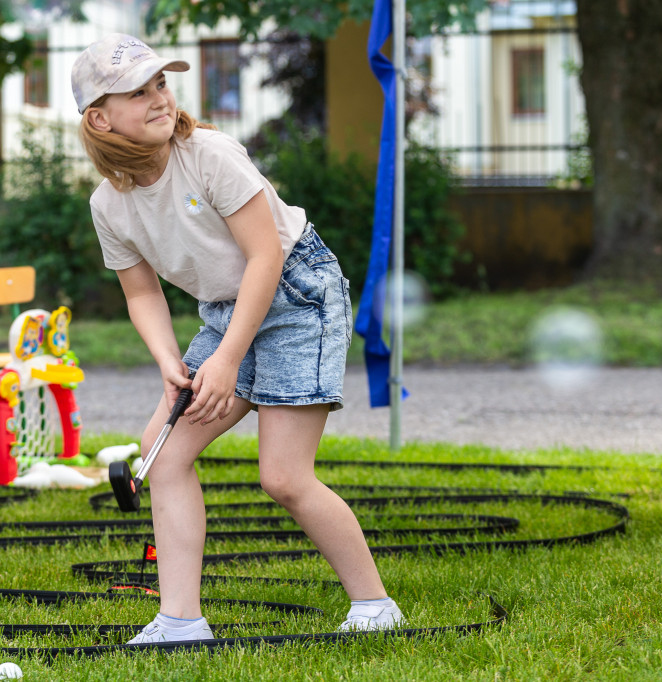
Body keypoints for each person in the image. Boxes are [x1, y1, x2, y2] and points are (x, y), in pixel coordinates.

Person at [72, 34, 404, 643]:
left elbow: (266, 256)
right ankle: (181, 620)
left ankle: (375, 605)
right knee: (163, 453)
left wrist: (225, 361)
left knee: (282, 476)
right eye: (136, 92)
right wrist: (171, 362)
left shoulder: (209, 154)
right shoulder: (109, 206)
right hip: (229, 309)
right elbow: (141, 293)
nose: (157, 99)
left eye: (160, 85)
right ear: (99, 117)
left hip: (296, 297)